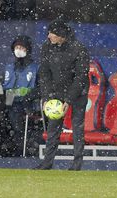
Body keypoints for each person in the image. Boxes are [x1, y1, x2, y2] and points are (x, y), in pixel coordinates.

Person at [35, 19, 90, 170]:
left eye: (52, 33)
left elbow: (80, 77)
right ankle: (47, 163)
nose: (48, 36)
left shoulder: (79, 49)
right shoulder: (47, 47)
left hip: (78, 93)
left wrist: (69, 100)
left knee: (77, 127)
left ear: (61, 35)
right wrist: (47, 97)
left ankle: (76, 164)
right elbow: (44, 74)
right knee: (53, 128)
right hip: (56, 93)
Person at [3, 35, 39, 157]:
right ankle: (15, 152)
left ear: (27, 49)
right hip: (11, 104)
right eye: (16, 47)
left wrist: (28, 97)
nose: (18, 50)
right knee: (11, 125)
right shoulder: (10, 67)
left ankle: (27, 152)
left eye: (21, 47)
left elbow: (40, 88)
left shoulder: (35, 68)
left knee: (23, 128)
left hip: (29, 104)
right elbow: (6, 87)